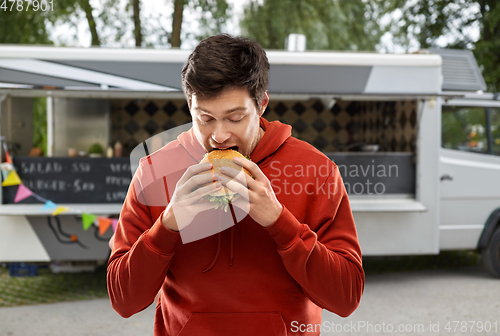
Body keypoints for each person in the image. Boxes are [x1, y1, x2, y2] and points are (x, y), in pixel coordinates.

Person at [107, 34, 364, 336]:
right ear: (189, 106)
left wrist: (279, 222)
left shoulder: (317, 170)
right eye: (204, 118)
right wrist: (168, 225)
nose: (218, 136)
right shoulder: (154, 170)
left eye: (235, 117)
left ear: (262, 104)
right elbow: (124, 302)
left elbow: (346, 298)